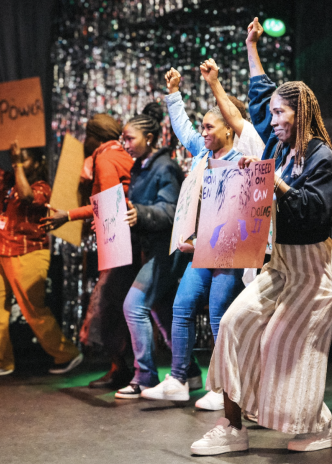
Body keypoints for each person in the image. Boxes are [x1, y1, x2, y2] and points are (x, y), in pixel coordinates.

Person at [189, 17, 332, 455]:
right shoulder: (277, 149)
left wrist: (273, 182)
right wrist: (251, 47)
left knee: (283, 344)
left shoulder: (323, 159)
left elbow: (313, 210)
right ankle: (232, 427)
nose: (273, 118)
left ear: (302, 113)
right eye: (273, 112)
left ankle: (322, 423)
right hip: (280, 265)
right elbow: (254, 103)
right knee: (234, 325)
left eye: (280, 112)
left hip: (316, 269)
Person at [140, 65, 249, 409]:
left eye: (209, 126)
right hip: (202, 250)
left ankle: (224, 389)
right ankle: (178, 378)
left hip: (230, 252)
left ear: (228, 130)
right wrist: (173, 93)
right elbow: (184, 128)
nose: (201, 132)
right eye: (202, 126)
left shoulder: (242, 158)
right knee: (182, 305)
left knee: (219, 314)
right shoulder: (203, 155)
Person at [42, 113, 136, 389]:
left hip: (117, 240)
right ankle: (124, 369)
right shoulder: (120, 154)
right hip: (127, 238)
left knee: (107, 308)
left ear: (94, 138)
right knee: (120, 307)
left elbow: (108, 203)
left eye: (86, 136)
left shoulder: (104, 158)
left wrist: (68, 215)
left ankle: (122, 369)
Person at [114, 104, 192, 399]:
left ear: (149, 137)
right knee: (161, 310)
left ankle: (145, 376)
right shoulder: (143, 167)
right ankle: (192, 372)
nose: (125, 144)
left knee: (134, 306)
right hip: (157, 250)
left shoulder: (164, 167)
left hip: (168, 251)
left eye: (130, 138)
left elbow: (172, 210)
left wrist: (141, 214)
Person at [0, 142, 82, 376]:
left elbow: (27, 196)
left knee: (33, 310)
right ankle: (0, 361)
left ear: (37, 162)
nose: (19, 163)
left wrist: (16, 162)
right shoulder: (7, 181)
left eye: (25, 159)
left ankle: (67, 354)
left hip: (26, 253)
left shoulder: (42, 187)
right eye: (17, 159)